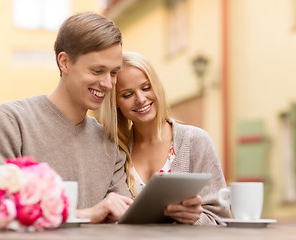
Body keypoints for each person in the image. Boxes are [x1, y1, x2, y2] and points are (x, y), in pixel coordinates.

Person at [0, 12, 133, 224]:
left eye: (113, 73)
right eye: (97, 71)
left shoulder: (109, 143)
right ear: (64, 62)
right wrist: (86, 215)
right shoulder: (11, 122)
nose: (107, 83)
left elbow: (123, 221)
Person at [96, 51, 231, 225]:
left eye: (146, 87)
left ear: (157, 87)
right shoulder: (114, 151)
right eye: (127, 94)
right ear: (116, 103)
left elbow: (222, 221)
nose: (140, 99)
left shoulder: (196, 141)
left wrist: (194, 219)